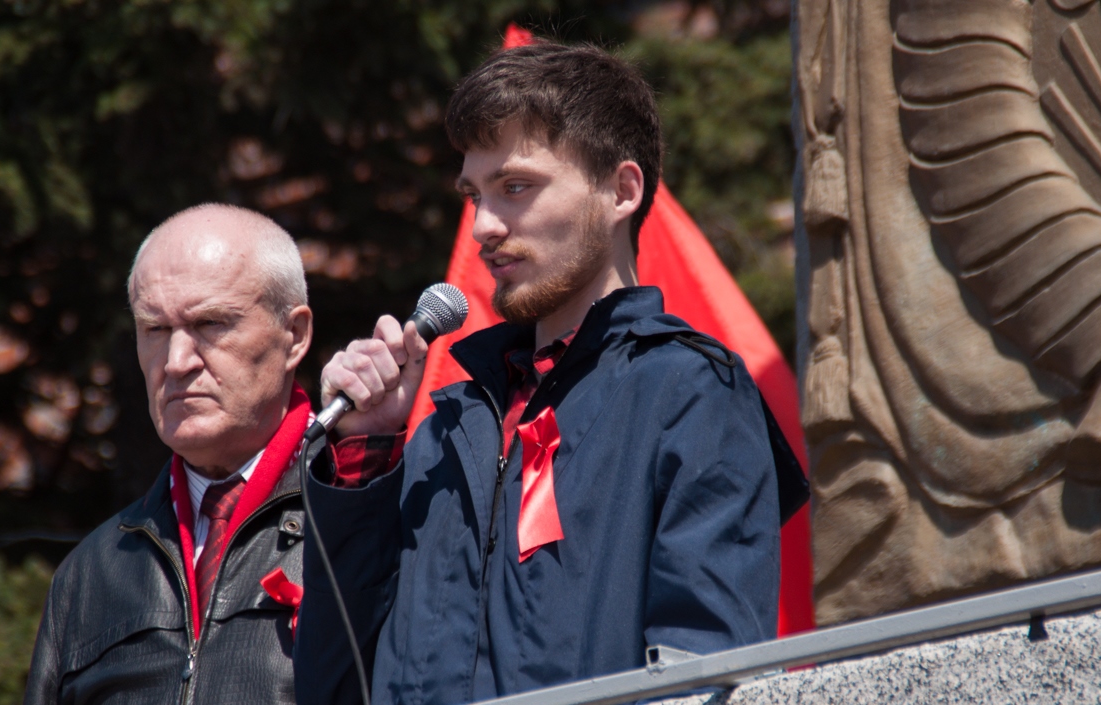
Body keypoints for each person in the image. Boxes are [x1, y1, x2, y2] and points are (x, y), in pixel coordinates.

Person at [294, 40, 788, 704]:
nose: (483, 226)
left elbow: (705, 678)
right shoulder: (443, 432)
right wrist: (365, 453)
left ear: (621, 190)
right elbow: (331, 684)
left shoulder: (692, 393)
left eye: (516, 187)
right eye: (474, 195)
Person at [26, 204, 315, 704]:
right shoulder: (89, 574)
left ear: (295, 337)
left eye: (211, 323)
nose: (176, 362)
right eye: (155, 329)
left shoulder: (367, 525)